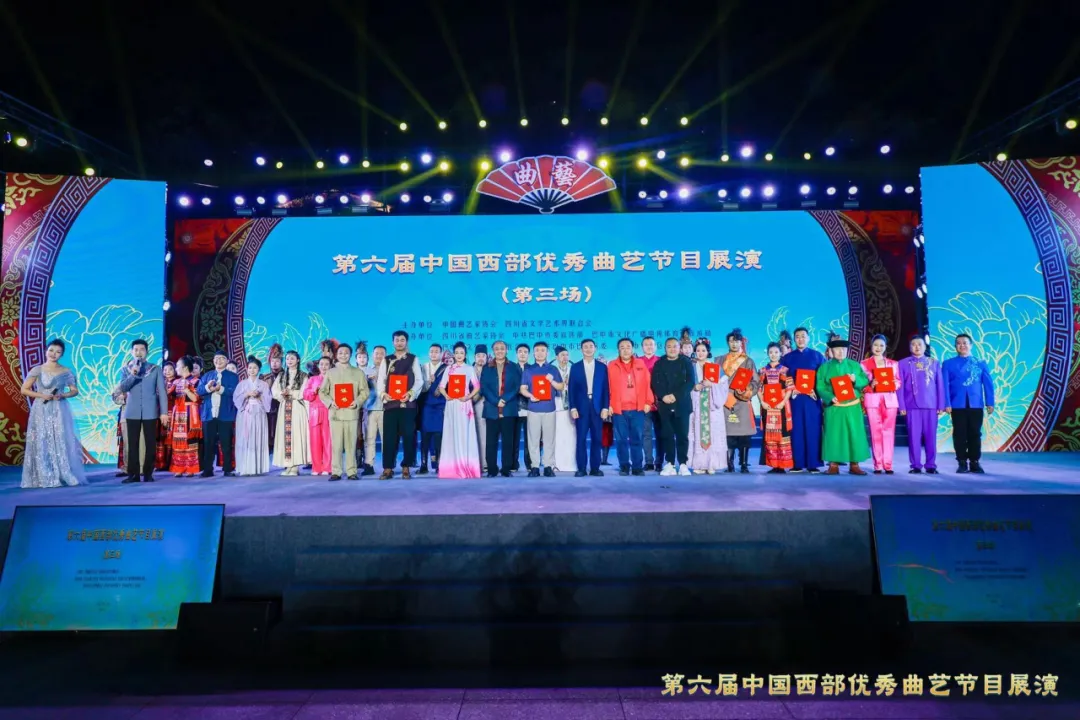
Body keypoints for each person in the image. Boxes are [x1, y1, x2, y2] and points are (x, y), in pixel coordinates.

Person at [20, 338, 86, 488]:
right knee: (42, 439)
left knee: (59, 439)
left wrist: (63, 395)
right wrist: (42, 395)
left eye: (58, 352)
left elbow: (74, 391)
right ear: (46, 351)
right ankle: (45, 475)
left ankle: (63, 472)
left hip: (58, 408)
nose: (53, 354)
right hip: (40, 409)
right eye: (51, 350)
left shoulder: (66, 371)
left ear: (61, 354)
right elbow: (24, 389)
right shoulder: (37, 370)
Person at [816, 338, 871, 475]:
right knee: (833, 435)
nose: (840, 352)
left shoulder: (854, 365)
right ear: (831, 351)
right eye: (837, 349)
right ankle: (833, 464)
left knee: (854, 434)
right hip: (835, 406)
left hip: (852, 407)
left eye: (843, 349)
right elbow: (820, 386)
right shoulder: (824, 367)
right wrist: (829, 397)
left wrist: (855, 379)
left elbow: (865, 380)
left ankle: (854, 464)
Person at [118, 338, 169, 483]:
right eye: (136, 350)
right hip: (132, 411)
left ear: (147, 352)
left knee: (150, 443)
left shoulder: (155, 369)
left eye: (142, 350)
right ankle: (133, 474)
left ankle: (148, 473)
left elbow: (162, 391)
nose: (138, 352)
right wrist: (133, 374)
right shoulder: (125, 369)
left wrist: (164, 412)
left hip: (150, 411)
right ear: (131, 352)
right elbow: (124, 388)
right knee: (132, 444)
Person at [943, 333, 995, 474]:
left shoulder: (980, 362)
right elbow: (944, 386)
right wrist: (946, 403)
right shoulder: (948, 364)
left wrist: (990, 402)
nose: (962, 345)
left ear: (971, 345)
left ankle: (974, 462)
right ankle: (961, 462)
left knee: (975, 433)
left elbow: (988, 384)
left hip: (976, 404)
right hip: (957, 404)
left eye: (965, 342)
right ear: (955, 346)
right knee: (959, 433)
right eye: (958, 343)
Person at [376, 330, 424, 479]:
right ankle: (388, 468)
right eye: (397, 340)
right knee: (389, 437)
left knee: (409, 436)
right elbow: (381, 380)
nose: (399, 343)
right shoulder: (387, 360)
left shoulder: (413, 359)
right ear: (393, 342)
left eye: (402, 340)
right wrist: (383, 394)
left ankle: (406, 466)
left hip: (407, 405)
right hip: (390, 404)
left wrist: (410, 393)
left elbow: (419, 380)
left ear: (406, 342)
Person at [898, 335, 946, 474]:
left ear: (925, 347)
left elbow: (940, 385)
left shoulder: (934, 362)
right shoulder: (902, 363)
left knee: (931, 437)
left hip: (931, 405)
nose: (917, 347)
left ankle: (931, 465)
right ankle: (916, 465)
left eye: (920, 344)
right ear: (909, 347)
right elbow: (900, 387)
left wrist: (941, 405)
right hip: (911, 406)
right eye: (913, 344)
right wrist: (902, 406)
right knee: (913, 438)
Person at [321, 343, 369, 480]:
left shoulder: (358, 373)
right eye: (340, 353)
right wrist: (330, 402)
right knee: (336, 445)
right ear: (336, 355)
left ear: (350, 355)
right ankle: (336, 471)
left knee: (351, 445)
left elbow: (364, 391)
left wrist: (357, 401)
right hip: (335, 413)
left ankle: (351, 471)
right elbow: (322, 392)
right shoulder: (330, 372)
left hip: (351, 413)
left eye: (346, 353)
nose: (343, 355)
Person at [607, 338, 654, 476]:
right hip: (618, 409)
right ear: (618, 350)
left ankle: (637, 467)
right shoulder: (612, 365)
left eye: (628, 347)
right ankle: (624, 466)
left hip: (637, 408)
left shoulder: (640, 364)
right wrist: (608, 404)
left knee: (637, 439)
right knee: (621, 440)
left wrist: (648, 401)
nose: (625, 350)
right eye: (622, 347)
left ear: (633, 349)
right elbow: (606, 386)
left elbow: (647, 383)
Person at [652, 337, 698, 476]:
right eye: (669, 346)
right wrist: (663, 396)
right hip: (665, 404)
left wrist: (676, 396)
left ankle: (683, 463)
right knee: (667, 435)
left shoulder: (686, 362)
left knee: (682, 435)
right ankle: (670, 463)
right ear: (665, 348)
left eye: (675, 346)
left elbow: (690, 382)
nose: (672, 349)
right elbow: (655, 383)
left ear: (679, 348)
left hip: (682, 403)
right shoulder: (659, 363)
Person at [436, 341, 482, 478]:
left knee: (464, 434)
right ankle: (451, 468)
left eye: (462, 353)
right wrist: (446, 396)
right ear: (454, 355)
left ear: (465, 355)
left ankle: (466, 466)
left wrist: (468, 396)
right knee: (451, 433)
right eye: (457, 353)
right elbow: (441, 386)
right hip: (451, 404)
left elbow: (477, 386)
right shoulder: (449, 369)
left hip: (464, 404)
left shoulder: (469, 368)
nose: (459, 355)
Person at [784, 327, 825, 473]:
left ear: (808, 338)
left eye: (803, 336)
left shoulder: (817, 356)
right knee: (796, 430)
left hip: (812, 399)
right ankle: (797, 463)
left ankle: (813, 463)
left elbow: (823, 377)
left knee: (813, 430)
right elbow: (784, 377)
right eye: (797, 336)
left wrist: (817, 391)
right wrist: (791, 389)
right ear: (794, 339)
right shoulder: (787, 358)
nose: (800, 339)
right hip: (795, 399)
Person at [717, 328, 758, 473]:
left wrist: (747, 391)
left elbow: (755, 382)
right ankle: (729, 463)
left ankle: (744, 463)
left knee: (744, 434)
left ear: (741, 343)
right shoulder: (719, 360)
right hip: (724, 401)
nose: (734, 344)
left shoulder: (748, 361)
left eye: (737, 341)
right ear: (727, 343)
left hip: (742, 400)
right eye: (731, 341)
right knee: (727, 434)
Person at [519, 341, 562, 477]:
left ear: (547, 352)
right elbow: (523, 389)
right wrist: (530, 396)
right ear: (533, 353)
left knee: (549, 439)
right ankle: (535, 467)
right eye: (537, 350)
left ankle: (548, 466)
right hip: (533, 409)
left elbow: (561, 386)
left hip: (550, 408)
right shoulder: (528, 370)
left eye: (543, 350)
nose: (540, 353)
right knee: (533, 439)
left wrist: (552, 381)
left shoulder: (553, 369)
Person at [479, 340, 522, 477]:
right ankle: (492, 469)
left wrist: (505, 399)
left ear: (506, 350)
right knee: (491, 442)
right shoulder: (487, 368)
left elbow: (517, 386)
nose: (499, 351)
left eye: (502, 348)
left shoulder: (514, 367)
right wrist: (496, 401)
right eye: (497, 349)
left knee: (508, 441)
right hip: (492, 409)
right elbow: (484, 387)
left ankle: (506, 469)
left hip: (509, 408)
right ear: (493, 351)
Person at [569, 338, 609, 477]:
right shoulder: (575, 367)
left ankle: (595, 468)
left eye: (591, 346)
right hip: (581, 408)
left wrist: (605, 407)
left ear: (595, 348)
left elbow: (605, 389)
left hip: (597, 407)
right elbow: (571, 389)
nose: (588, 349)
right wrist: (573, 408)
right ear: (581, 349)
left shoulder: (602, 367)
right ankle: (581, 468)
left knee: (597, 438)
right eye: (585, 347)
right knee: (581, 439)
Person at [861, 334, 901, 474]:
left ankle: (888, 464)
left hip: (889, 399)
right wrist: (870, 385)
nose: (878, 348)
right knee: (875, 432)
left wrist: (894, 384)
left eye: (881, 345)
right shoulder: (864, 364)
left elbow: (898, 381)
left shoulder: (893, 364)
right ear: (871, 346)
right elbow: (861, 385)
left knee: (889, 432)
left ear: (885, 347)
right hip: (873, 399)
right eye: (876, 345)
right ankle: (878, 464)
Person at [197, 350, 239, 478]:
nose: (218, 361)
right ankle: (208, 470)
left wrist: (220, 389)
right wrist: (208, 388)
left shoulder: (232, 376)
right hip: (209, 415)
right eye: (216, 358)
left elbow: (234, 391)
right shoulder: (207, 375)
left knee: (226, 443)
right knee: (208, 443)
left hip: (225, 414)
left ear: (226, 361)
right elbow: (199, 390)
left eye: (221, 358)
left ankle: (228, 469)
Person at [272, 350, 310, 476]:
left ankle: (295, 466)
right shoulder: (281, 375)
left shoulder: (303, 375)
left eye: (292, 358)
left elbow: (304, 392)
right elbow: (274, 390)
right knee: (285, 436)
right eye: (287, 358)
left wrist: (291, 393)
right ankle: (288, 465)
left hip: (297, 407)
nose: (289, 361)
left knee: (296, 436)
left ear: (298, 360)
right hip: (284, 407)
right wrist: (281, 394)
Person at [758, 342, 794, 473]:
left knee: (783, 434)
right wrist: (762, 402)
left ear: (780, 354)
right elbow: (759, 389)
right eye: (771, 352)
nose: (773, 355)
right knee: (770, 436)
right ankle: (774, 464)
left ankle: (782, 464)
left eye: (776, 352)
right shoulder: (762, 371)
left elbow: (789, 388)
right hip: (768, 407)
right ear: (767, 354)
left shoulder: (785, 370)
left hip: (781, 407)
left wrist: (783, 402)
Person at [233, 356, 272, 476]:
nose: (252, 370)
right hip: (245, 413)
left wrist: (259, 396)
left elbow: (268, 400)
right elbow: (236, 399)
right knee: (245, 439)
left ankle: (257, 467)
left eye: (255, 368)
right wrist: (247, 394)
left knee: (257, 438)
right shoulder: (242, 384)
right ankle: (245, 467)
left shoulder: (263, 384)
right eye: (250, 368)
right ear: (247, 369)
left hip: (259, 413)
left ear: (259, 369)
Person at [168, 356, 202, 477]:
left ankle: (191, 467)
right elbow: (167, 394)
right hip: (178, 414)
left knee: (190, 439)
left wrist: (187, 391)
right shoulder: (175, 382)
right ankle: (179, 467)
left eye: (177, 366)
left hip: (190, 413)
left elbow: (196, 399)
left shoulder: (196, 381)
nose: (176, 368)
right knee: (178, 440)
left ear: (185, 367)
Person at [420, 349, 451, 474]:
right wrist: (428, 383)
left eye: (436, 352)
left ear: (441, 354)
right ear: (428, 353)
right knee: (425, 435)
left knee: (439, 435)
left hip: (440, 405)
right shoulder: (423, 367)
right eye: (431, 352)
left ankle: (438, 464)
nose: (434, 354)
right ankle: (423, 465)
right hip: (426, 405)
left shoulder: (446, 368)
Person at [304, 357, 333, 476]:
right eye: (322, 364)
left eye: (326, 364)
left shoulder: (333, 379)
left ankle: (328, 467)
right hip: (315, 412)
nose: (324, 367)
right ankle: (316, 467)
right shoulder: (312, 379)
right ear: (318, 366)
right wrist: (313, 391)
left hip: (328, 411)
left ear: (330, 366)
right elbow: (306, 395)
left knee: (328, 440)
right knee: (315, 440)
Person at [361, 344, 386, 476]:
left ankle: (387, 466)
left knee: (386, 439)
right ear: (372, 355)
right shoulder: (365, 371)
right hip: (370, 409)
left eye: (382, 354)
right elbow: (359, 389)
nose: (379, 356)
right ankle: (369, 465)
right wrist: (366, 380)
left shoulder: (389, 371)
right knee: (369, 438)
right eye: (377, 353)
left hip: (385, 409)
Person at [551, 345, 577, 473]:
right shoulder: (552, 371)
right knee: (557, 436)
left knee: (571, 436)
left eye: (567, 355)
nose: (565, 357)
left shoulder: (573, 369)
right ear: (557, 357)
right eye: (562, 355)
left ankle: (571, 463)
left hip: (571, 407)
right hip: (556, 407)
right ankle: (556, 464)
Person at [639, 336, 661, 470]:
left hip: (660, 404)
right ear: (642, 347)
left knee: (660, 434)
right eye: (646, 344)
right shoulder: (637, 362)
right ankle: (648, 462)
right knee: (646, 434)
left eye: (651, 344)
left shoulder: (662, 361)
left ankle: (659, 461)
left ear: (656, 347)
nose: (649, 347)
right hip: (643, 404)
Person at [513, 343, 533, 472]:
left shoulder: (533, 369)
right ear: (516, 354)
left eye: (525, 352)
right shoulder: (510, 368)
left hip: (530, 406)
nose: (522, 354)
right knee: (514, 437)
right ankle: (513, 464)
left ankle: (530, 463)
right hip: (514, 407)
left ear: (528, 354)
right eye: (520, 351)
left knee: (530, 438)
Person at [260, 344, 285, 451]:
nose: (274, 363)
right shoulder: (264, 377)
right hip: (268, 410)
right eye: (272, 361)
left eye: (277, 361)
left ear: (281, 362)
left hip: (283, 408)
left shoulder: (287, 377)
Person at [154, 360, 176, 471]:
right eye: (165, 370)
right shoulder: (159, 383)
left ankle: (170, 463)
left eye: (170, 369)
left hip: (173, 413)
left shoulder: (177, 383)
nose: (167, 372)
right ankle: (160, 463)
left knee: (170, 438)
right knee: (160, 438)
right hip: (160, 412)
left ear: (175, 370)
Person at [472, 344, 489, 474]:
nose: (481, 358)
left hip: (486, 406)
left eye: (483, 356)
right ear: (474, 357)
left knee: (484, 436)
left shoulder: (490, 370)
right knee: (472, 436)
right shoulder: (469, 370)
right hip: (469, 406)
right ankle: (472, 463)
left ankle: (484, 463)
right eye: (478, 356)